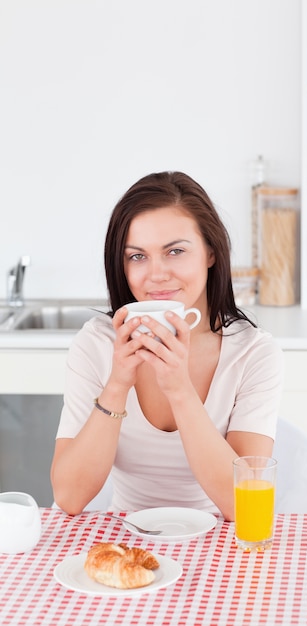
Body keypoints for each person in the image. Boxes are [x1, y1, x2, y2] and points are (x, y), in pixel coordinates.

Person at [50, 171, 284, 520]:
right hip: (125, 542)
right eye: (138, 256)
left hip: (216, 541)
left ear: (211, 253)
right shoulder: (96, 344)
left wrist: (179, 388)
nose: (156, 274)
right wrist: (117, 384)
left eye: (175, 251)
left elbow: (243, 506)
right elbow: (69, 497)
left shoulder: (254, 353)